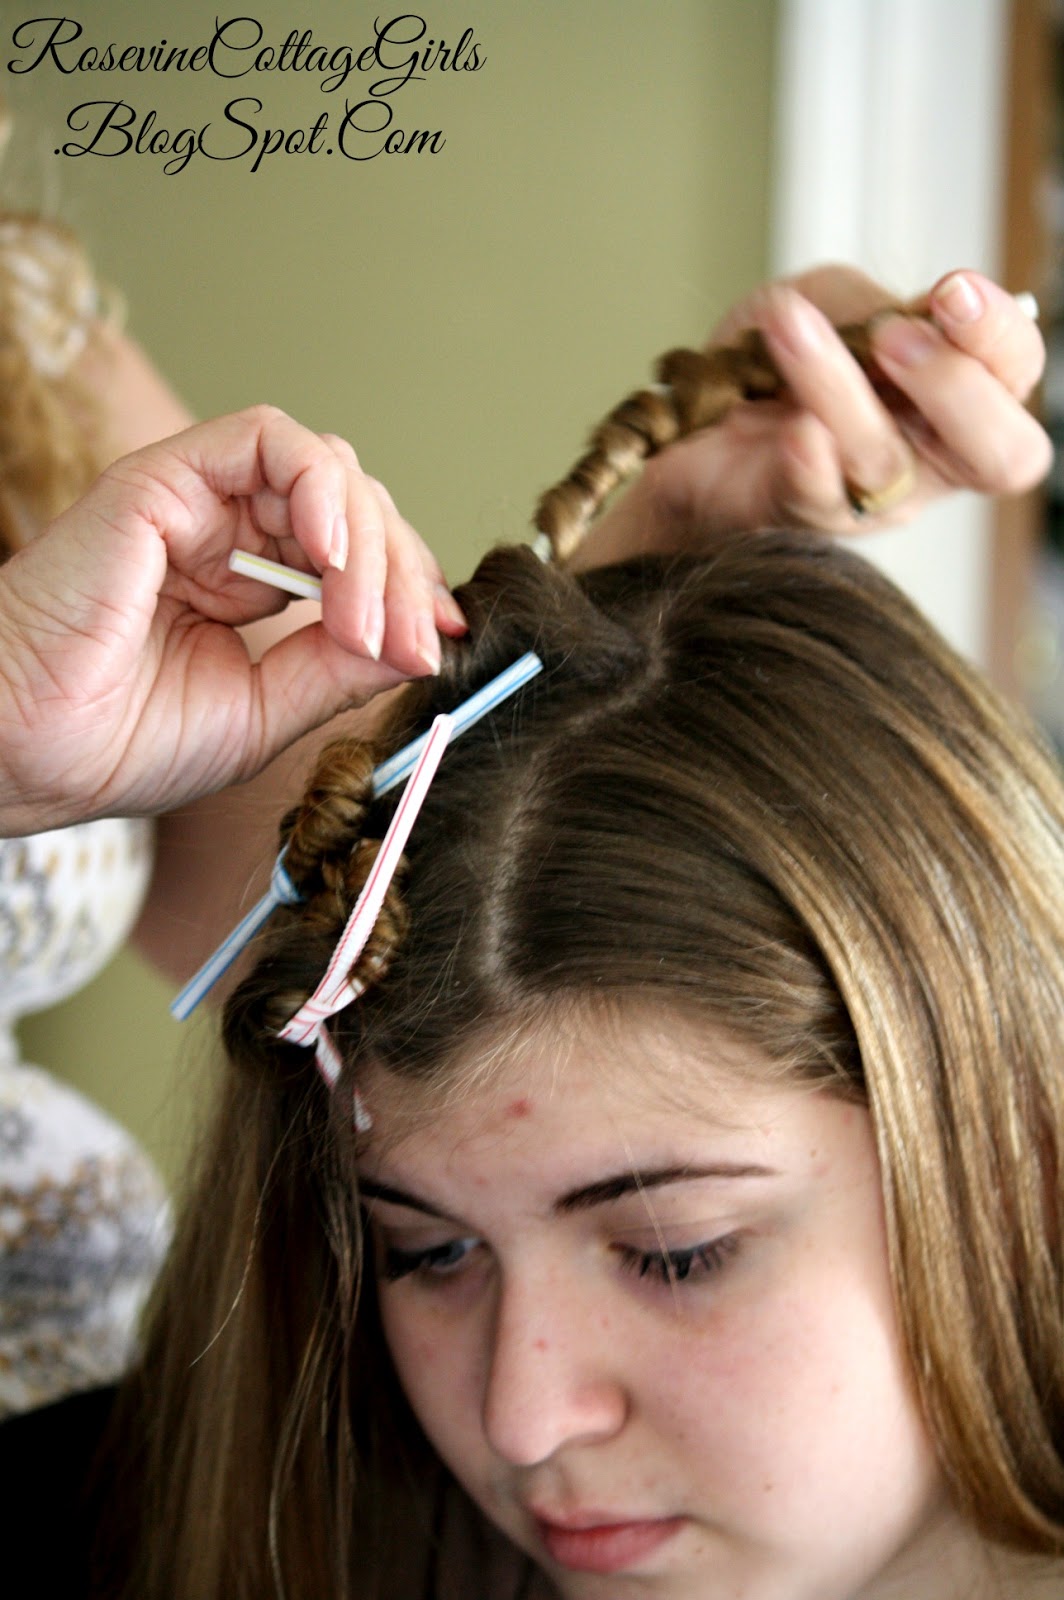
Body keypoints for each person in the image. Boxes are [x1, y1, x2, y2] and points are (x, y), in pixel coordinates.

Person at [3, 313, 1059, 1599]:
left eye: (674, 1249)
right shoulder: (211, 1528)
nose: (521, 1417)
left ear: (1012, 1150)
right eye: (428, 1253)